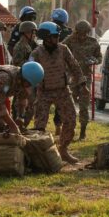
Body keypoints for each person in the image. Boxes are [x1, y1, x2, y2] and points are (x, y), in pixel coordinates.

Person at [30, 22, 86, 164]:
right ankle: (40, 155)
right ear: (46, 37)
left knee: (71, 119)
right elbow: (29, 73)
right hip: (44, 93)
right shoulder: (36, 53)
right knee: (39, 125)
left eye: (57, 36)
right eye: (54, 37)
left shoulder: (63, 49)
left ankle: (63, 150)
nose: (57, 39)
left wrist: (82, 83)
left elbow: (75, 66)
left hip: (63, 91)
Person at [62, 20, 102, 140]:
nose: (82, 36)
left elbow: (99, 57)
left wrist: (95, 60)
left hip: (85, 77)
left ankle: (83, 132)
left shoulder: (93, 42)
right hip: (71, 77)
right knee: (69, 105)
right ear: (76, 32)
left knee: (84, 106)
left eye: (85, 33)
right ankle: (69, 129)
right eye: (80, 33)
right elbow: (60, 51)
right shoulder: (69, 40)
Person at [11, 21, 38, 128]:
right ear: (26, 32)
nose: (34, 35)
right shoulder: (20, 46)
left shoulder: (28, 45)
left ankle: (21, 128)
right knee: (21, 107)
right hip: (21, 80)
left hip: (27, 79)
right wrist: (30, 64)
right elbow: (17, 64)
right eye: (33, 32)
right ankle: (16, 128)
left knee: (30, 108)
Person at [51, 8, 72, 135]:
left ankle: (56, 124)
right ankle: (60, 124)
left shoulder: (48, 30)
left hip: (49, 68)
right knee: (62, 99)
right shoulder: (69, 32)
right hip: (64, 70)